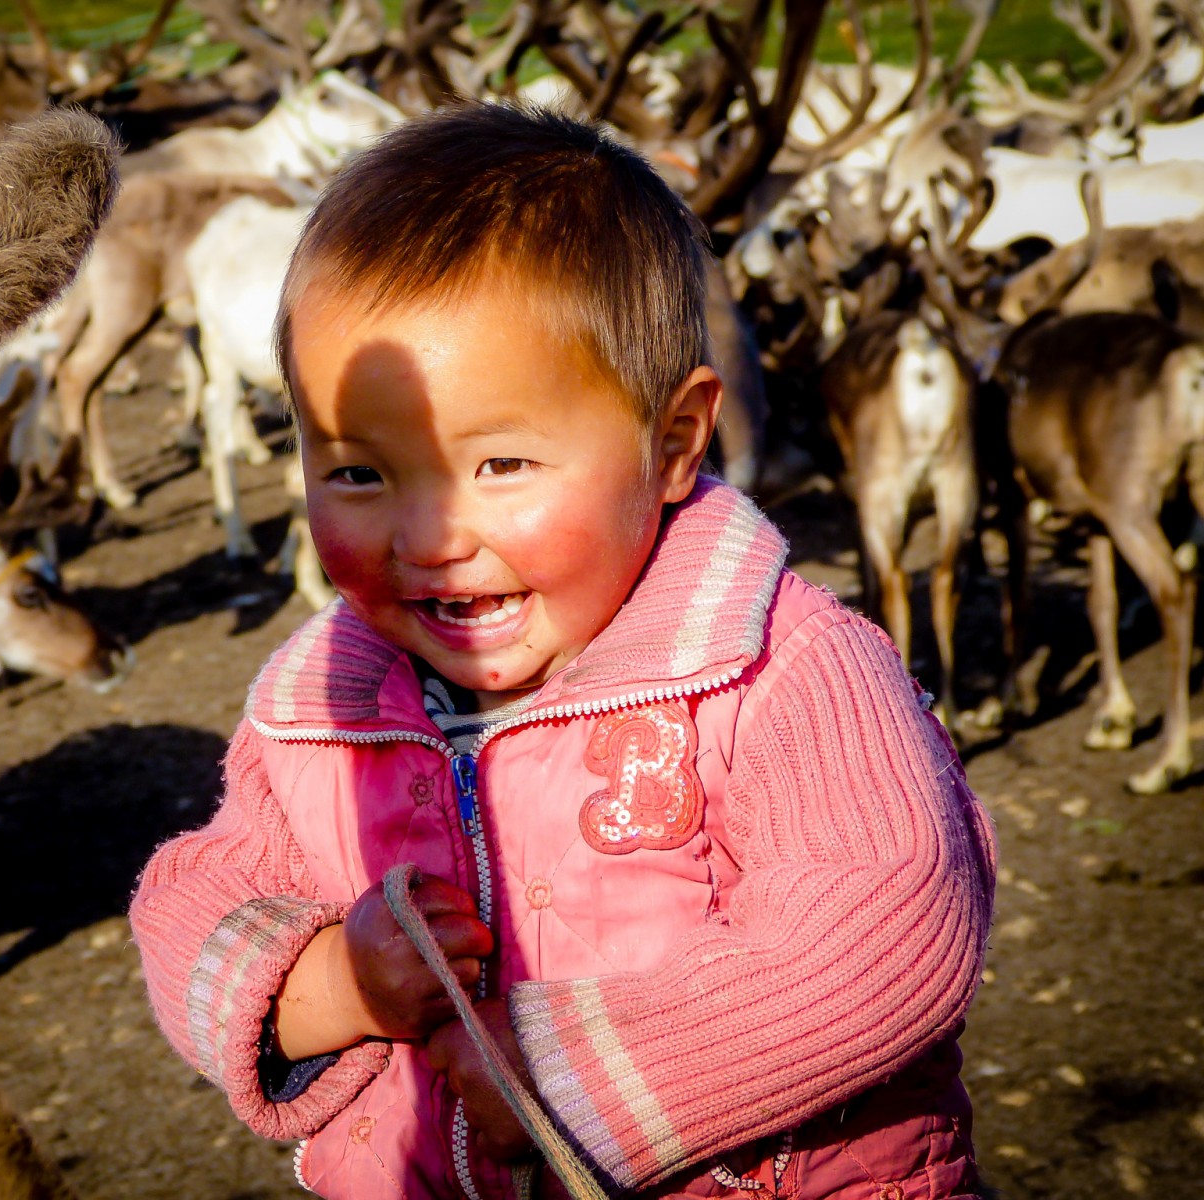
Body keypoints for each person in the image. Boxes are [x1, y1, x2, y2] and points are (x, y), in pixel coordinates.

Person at [129, 102, 996, 1200]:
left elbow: (885, 929)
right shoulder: (321, 710)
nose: (430, 538)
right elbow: (190, 904)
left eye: (499, 466)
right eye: (356, 472)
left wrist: (573, 1077)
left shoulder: (778, 671)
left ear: (673, 441)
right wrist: (328, 986)